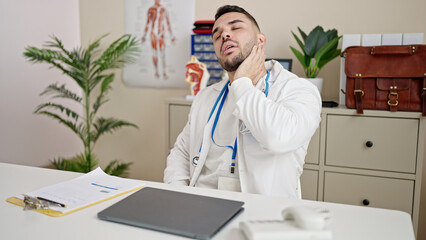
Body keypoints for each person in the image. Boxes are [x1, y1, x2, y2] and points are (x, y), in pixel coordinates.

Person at [164, 5, 321, 199]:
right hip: (200, 205)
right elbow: (181, 152)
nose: (224, 35)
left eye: (235, 28)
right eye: (217, 34)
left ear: (260, 40)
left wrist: (241, 83)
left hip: (261, 212)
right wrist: (179, 191)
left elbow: (278, 137)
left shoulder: (298, 89)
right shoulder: (206, 97)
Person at [141, 0, 175, 80]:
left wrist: (171, 36)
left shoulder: (164, 9)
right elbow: (147, 23)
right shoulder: (151, 9)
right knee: (155, 53)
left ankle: (164, 72)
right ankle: (156, 71)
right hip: (153, 33)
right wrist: (144, 35)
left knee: (162, 53)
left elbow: (168, 23)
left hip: (161, 33)